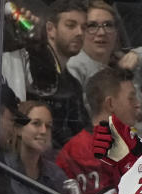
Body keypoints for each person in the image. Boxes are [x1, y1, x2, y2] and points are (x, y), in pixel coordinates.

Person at [67, 0, 142, 140]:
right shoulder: (74, 67)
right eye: (92, 26)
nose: (101, 32)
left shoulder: (123, 64)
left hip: (139, 143)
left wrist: (139, 55)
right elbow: (89, 116)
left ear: (116, 32)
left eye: (108, 25)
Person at [56, 67, 141, 194]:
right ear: (110, 104)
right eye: (131, 98)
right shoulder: (78, 151)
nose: (137, 104)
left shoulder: (69, 150)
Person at [5, 100, 88, 194]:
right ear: (18, 129)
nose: (44, 131)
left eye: (48, 126)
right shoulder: (4, 170)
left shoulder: (55, 173)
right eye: (36, 123)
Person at [26, 0, 89, 147]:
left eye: (83, 27)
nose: (79, 33)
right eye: (71, 25)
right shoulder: (31, 69)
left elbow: (81, 130)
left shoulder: (72, 84)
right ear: (50, 29)